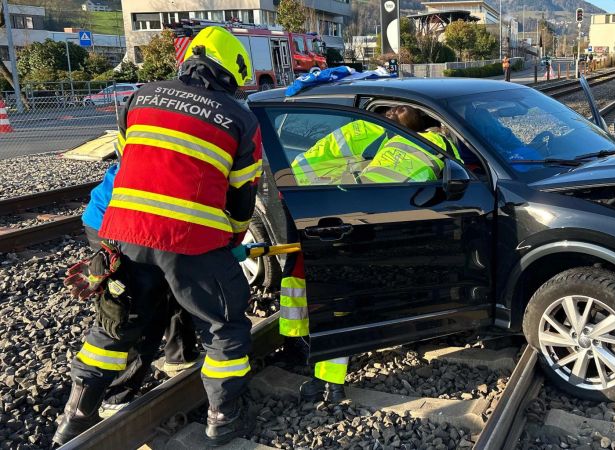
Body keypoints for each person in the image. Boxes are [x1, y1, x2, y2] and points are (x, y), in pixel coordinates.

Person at [53, 26, 262, 446]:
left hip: (122, 233)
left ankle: (76, 417)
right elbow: (243, 195)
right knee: (222, 324)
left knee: (116, 325)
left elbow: (134, 160)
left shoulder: (140, 96)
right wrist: (234, 236)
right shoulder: (240, 117)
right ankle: (224, 419)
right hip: (190, 239)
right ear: (232, 73)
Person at [279, 106, 459, 403]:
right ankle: (311, 358)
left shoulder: (397, 139)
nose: (392, 113)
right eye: (393, 109)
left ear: (423, 120)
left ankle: (321, 372)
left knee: (333, 297)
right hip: (332, 210)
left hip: (337, 212)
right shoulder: (390, 137)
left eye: (401, 110)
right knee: (323, 290)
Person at [81, 161, 200, 419]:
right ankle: (115, 397)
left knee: (174, 285)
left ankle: (180, 357)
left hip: (145, 221)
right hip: (121, 224)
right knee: (139, 309)